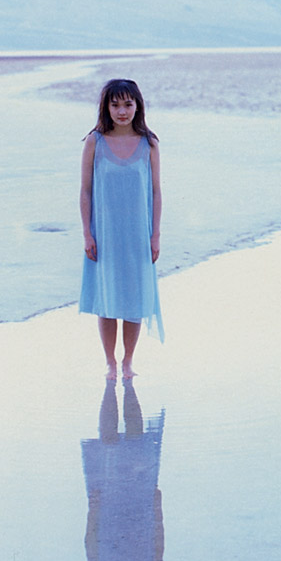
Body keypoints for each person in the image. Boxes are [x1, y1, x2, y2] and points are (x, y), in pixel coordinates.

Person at [79, 79, 164, 380]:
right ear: (106, 107)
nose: (122, 111)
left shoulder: (149, 143)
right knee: (107, 298)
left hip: (138, 235)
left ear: (138, 105)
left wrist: (155, 235)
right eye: (115, 105)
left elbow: (156, 192)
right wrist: (87, 233)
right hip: (105, 234)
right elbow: (85, 191)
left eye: (128, 104)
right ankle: (110, 363)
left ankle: (128, 362)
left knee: (134, 299)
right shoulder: (95, 142)